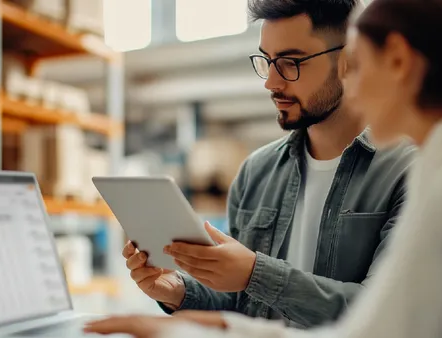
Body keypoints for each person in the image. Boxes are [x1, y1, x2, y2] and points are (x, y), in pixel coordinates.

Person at [84, 0, 442, 337]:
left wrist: (233, 301)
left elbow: (376, 328)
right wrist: (184, 297)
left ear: (397, 61)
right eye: (267, 61)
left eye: (358, 67)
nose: (270, 80)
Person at [120, 0, 414, 330]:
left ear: (348, 60)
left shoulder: (408, 172)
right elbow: (238, 302)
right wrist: (177, 291)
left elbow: (386, 314)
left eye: (290, 63)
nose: (271, 82)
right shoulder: (256, 172)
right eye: (268, 61)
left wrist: (255, 273)